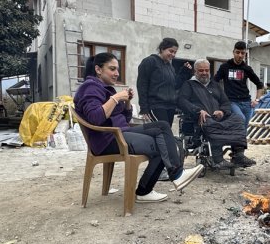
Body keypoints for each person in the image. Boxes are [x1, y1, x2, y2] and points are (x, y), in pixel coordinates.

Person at [74, 52, 203, 203]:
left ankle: (168, 178)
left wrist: (127, 102)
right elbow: (95, 118)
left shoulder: (104, 87)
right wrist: (115, 99)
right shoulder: (90, 87)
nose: (116, 73)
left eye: (117, 69)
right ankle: (151, 187)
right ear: (98, 69)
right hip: (108, 140)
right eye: (112, 69)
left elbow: (125, 119)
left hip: (120, 133)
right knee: (162, 144)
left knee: (162, 128)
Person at [177, 59, 255, 169]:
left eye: (206, 70)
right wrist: (198, 111)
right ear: (195, 71)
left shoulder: (215, 85)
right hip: (201, 118)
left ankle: (238, 155)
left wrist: (222, 111)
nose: (204, 73)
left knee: (238, 119)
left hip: (218, 117)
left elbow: (226, 102)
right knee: (209, 123)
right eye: (201, 70)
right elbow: (182, 101)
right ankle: (217, 159)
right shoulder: (189, 84)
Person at [136, 37, 193, 126]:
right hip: (156, 105)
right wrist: (144, 108)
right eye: (171, 51)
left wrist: (184, 71)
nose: (173, 54)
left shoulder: (170, 67)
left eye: (175, 52)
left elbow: (175, 85)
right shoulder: (150, 61)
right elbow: (142, 85)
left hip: (170, 106)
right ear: (162, 49)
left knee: (164, 134)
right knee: (163, 132)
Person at [214, 41, 265, 128]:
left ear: (245, 54)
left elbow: (260, 85)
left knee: (245, 128)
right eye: (237, 52)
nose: (240, 55)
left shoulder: (247, 68)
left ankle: (237, 141)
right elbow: (214, 82)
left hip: (246, 103)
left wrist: (257, 100)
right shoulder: (225, 67)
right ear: (233, 52)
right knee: (241, 119)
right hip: (232, 102)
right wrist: (219, 97)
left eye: (243, 53)